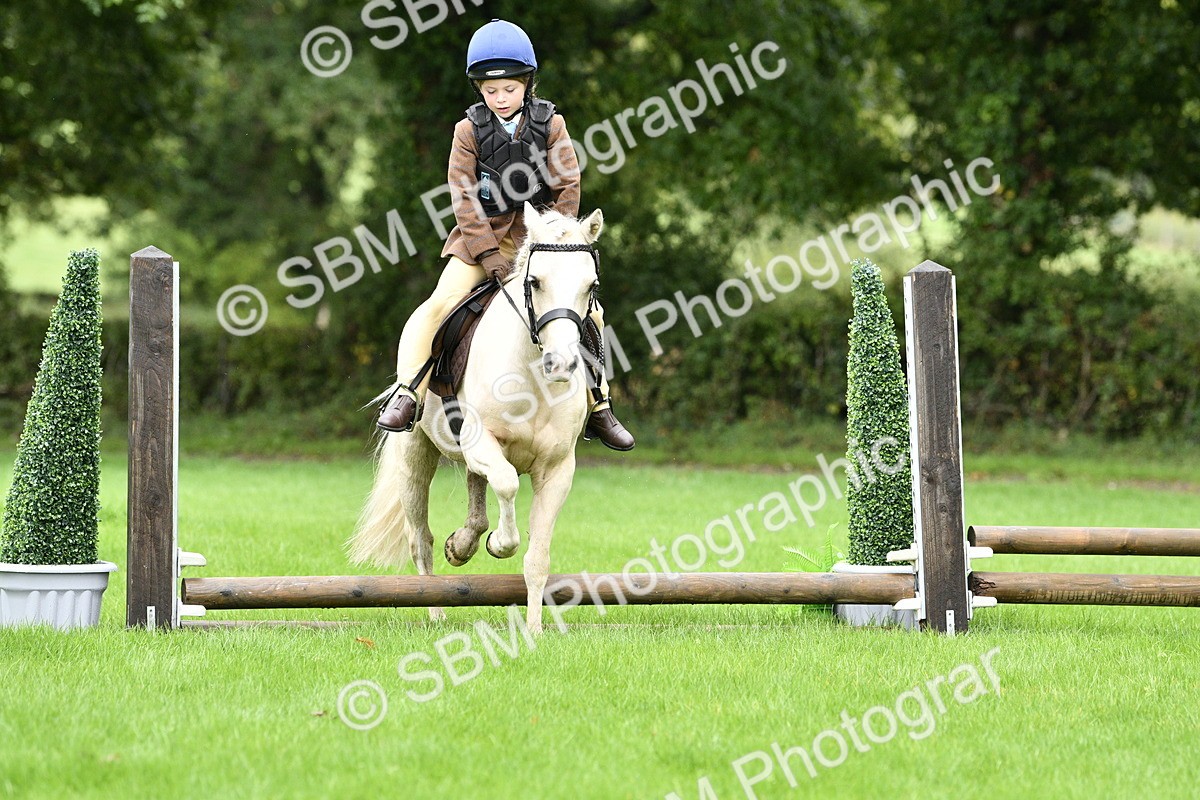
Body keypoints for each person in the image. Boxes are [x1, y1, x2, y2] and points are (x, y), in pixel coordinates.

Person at [376, 18, 634, 451]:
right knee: (436, 307)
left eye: (509, 89)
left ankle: (599, 404)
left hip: (542, 243)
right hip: (478, 242)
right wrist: (486, 252)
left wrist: (556, 240)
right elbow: (463, 196)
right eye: (490, 90)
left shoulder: (552, 124)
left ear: (527, 84)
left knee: (592, 315)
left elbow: (568, 186)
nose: (500, 98)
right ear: (478, 89)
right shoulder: (467, 131)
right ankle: (408, 392)